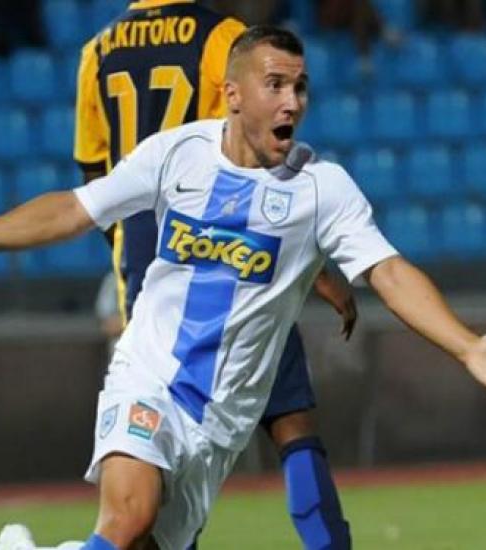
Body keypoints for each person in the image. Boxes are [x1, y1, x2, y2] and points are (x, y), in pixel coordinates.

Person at [0, 25, 486, 550]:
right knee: (128, 517)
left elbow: (389, 271)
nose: (292, 101)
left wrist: (469, 346)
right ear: (232, 94)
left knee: (136, 543)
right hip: (149, 374)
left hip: (219, 423)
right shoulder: (175, 154)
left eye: (300, 86)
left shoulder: (322, 189)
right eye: (275, 84)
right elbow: (78, 207)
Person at [72, 2, 354, 547]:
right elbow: (248, 154)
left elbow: (91, 164)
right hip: (229, 240)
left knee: (159, 454)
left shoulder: (98, 50)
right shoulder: (222, 36)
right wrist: (314, 269)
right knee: (292, 424)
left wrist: (129, 242)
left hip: (147, 255)